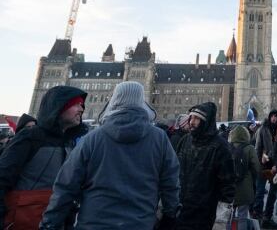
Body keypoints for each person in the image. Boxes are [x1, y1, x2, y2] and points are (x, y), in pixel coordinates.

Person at [39, 81, 179, 229]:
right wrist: (170, 216)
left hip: (94, 223)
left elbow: (66, 184)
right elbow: (171, 182)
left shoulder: (93, 138)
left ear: (115, 100)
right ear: (141, 102)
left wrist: (50, 223)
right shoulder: (160, 138)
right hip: (139, 223)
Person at [0, 86, 88, 230]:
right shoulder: (30, 137)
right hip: (21, 221)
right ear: (60, 106)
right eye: (77, 104)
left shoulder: (70, 143)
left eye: (82, 105)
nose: (81, 109)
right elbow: (2, 177)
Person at [175, 101, 236, 230]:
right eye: (191, 117)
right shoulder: (185, 141)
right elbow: (173, 173)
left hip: (206, 215)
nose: (191, 122)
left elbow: (228, 185)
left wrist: (221, 220)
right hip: (181, 211)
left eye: (197, 118)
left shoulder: (221, 147)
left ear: (206, 121)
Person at [228, 124, 262, 230]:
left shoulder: (227, 147)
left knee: (229, 216)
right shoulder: (249, 148)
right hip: (245, 186)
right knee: (242, 216)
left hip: (229, 187)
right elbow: (257, 167)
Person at [253, 109, 277, 228]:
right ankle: (257, 214)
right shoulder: (263, 129)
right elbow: (258, 147)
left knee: (273, 192)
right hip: (263, 164)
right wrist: (260, 160)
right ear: (269, 117)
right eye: (272, 116)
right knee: (259, 191)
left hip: (274, 166)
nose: (274, 118)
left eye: (276, 116)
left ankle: (267, 216)